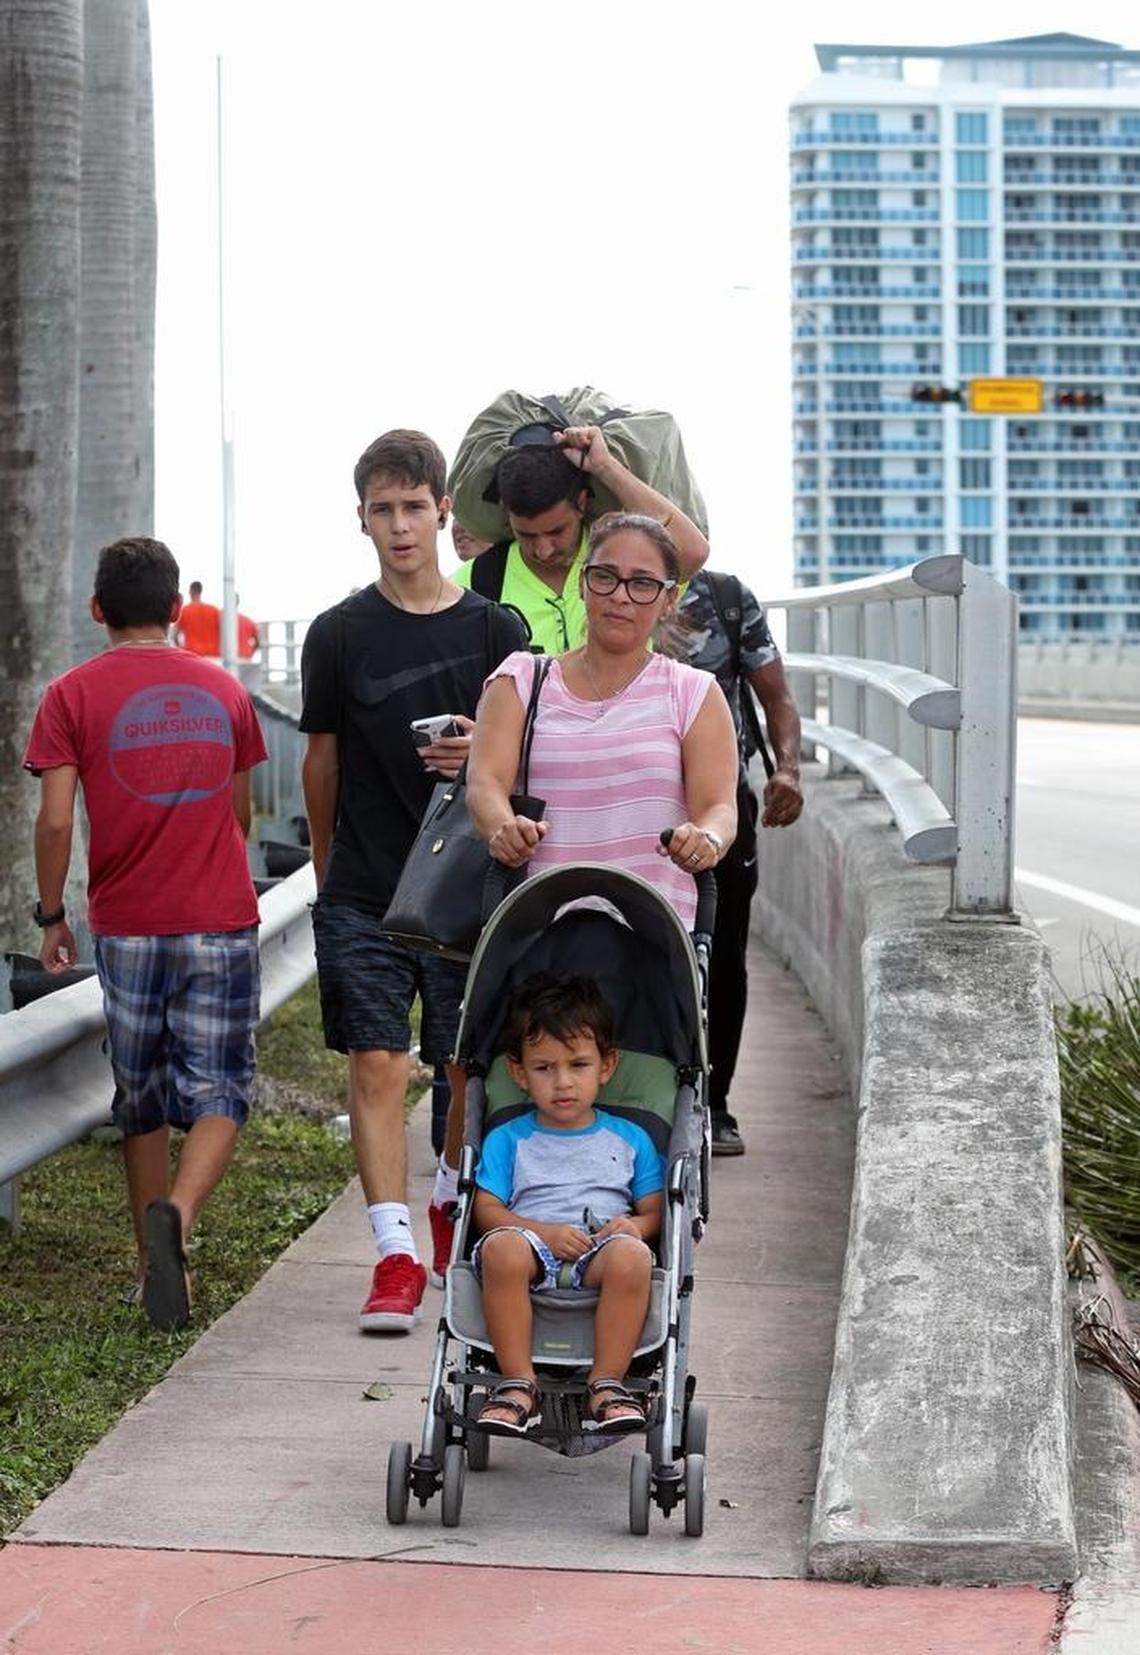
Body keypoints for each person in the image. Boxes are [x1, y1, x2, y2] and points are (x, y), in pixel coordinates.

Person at [300, 430, 528, 1334]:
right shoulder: (338, 632)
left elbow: (525, 749)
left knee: (461, 1069)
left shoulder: (493, 627)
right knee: (377, 1060)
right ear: (361, 519)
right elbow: (320, 763)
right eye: (381, 510)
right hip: (364, 885)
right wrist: (327, 872)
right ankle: (395, 1254)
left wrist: (481, 751)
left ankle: (447, 1210)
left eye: (412, 507)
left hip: (466, 886)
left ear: (442, 509)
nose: (399, 526)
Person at [23, 537, 268, 1332]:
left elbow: (57, 816)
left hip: (128, 929)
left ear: (97, 609)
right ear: (175, 610)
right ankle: (180, 1218)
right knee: (222, 1090)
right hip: (221, 917)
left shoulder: (69, 694)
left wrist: (53, 913)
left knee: (143, 1097)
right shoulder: (225, 690)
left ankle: (152, 1265)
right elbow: (241, 812)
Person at [466, 511, 738, 932]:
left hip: (653, 944)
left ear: (670, 600)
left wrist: (707, 840)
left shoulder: (694, 692)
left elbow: (719, 807)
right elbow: (485, 783)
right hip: (536, 939)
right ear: (582, 583)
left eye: (643, 583)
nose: (621, 596)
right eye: (605, 576)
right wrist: (504, 827)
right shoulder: (520, 680)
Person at [472, 973, 663, 1435]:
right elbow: (487, 1210)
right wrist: (541, 1233)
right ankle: (518, 1383)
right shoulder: (508, 1139)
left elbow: (657, 1209)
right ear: (518, 1073)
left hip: (600, 1251)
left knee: (632, 1257)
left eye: (578, 1065)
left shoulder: (631, 1139)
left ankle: (607, 1382)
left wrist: (635, 1227)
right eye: (544, 1067)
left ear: (606, 1066)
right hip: (528, 1249)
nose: (562, 1082)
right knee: (500, 1246)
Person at [663, 573, 804, 1156]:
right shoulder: (599, 581)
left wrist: (787, 769)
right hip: (635, 798)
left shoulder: (724, 598)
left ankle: (714, 1104)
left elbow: (776, 696)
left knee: (721, 957)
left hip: (721, 803)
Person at [452, 425, 710, 655]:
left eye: (556, 532)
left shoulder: (623, 559)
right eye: (527, 535)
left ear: (582, 503)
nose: (543, 550)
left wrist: (605, 467)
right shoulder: (472, 584)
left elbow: (692, 553)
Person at [175, 580, 221, 657]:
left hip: (192, 655)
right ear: (200, 592)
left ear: (190, 592)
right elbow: (223, 633)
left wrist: (181, 649)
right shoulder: (214, 610)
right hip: (213, 656)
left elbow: (175, 634)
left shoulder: (185, 610)